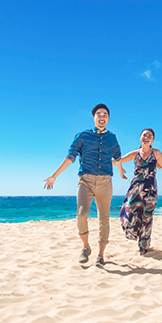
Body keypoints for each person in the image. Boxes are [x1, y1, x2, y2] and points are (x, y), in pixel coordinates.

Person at [43, 104, 121, 266]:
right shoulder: (82, 136)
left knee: (104, 219)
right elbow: (70, 157)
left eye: (105, 115)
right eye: (99, 114)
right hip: (85, 181)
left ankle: (100, 255)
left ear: (108, 118)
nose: (102, 117)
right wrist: (54, 175)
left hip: (105, 182)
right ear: (94, 117)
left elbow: (118, 157)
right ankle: (86, 247)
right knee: (81, 215)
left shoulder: (112, 137)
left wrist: (121, 170)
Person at [116, 129, 162, 255]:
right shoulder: (135, 153)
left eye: (150, 136)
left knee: (147, 218)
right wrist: (118, 169)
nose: (146, 137)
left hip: (150, 189)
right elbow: (118, 160)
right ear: (140, 137)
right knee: (127, 210)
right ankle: (133, 232)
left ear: (152, 140)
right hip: (135, 188)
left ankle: (143, 248)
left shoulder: (156, 153)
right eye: (144, 135)